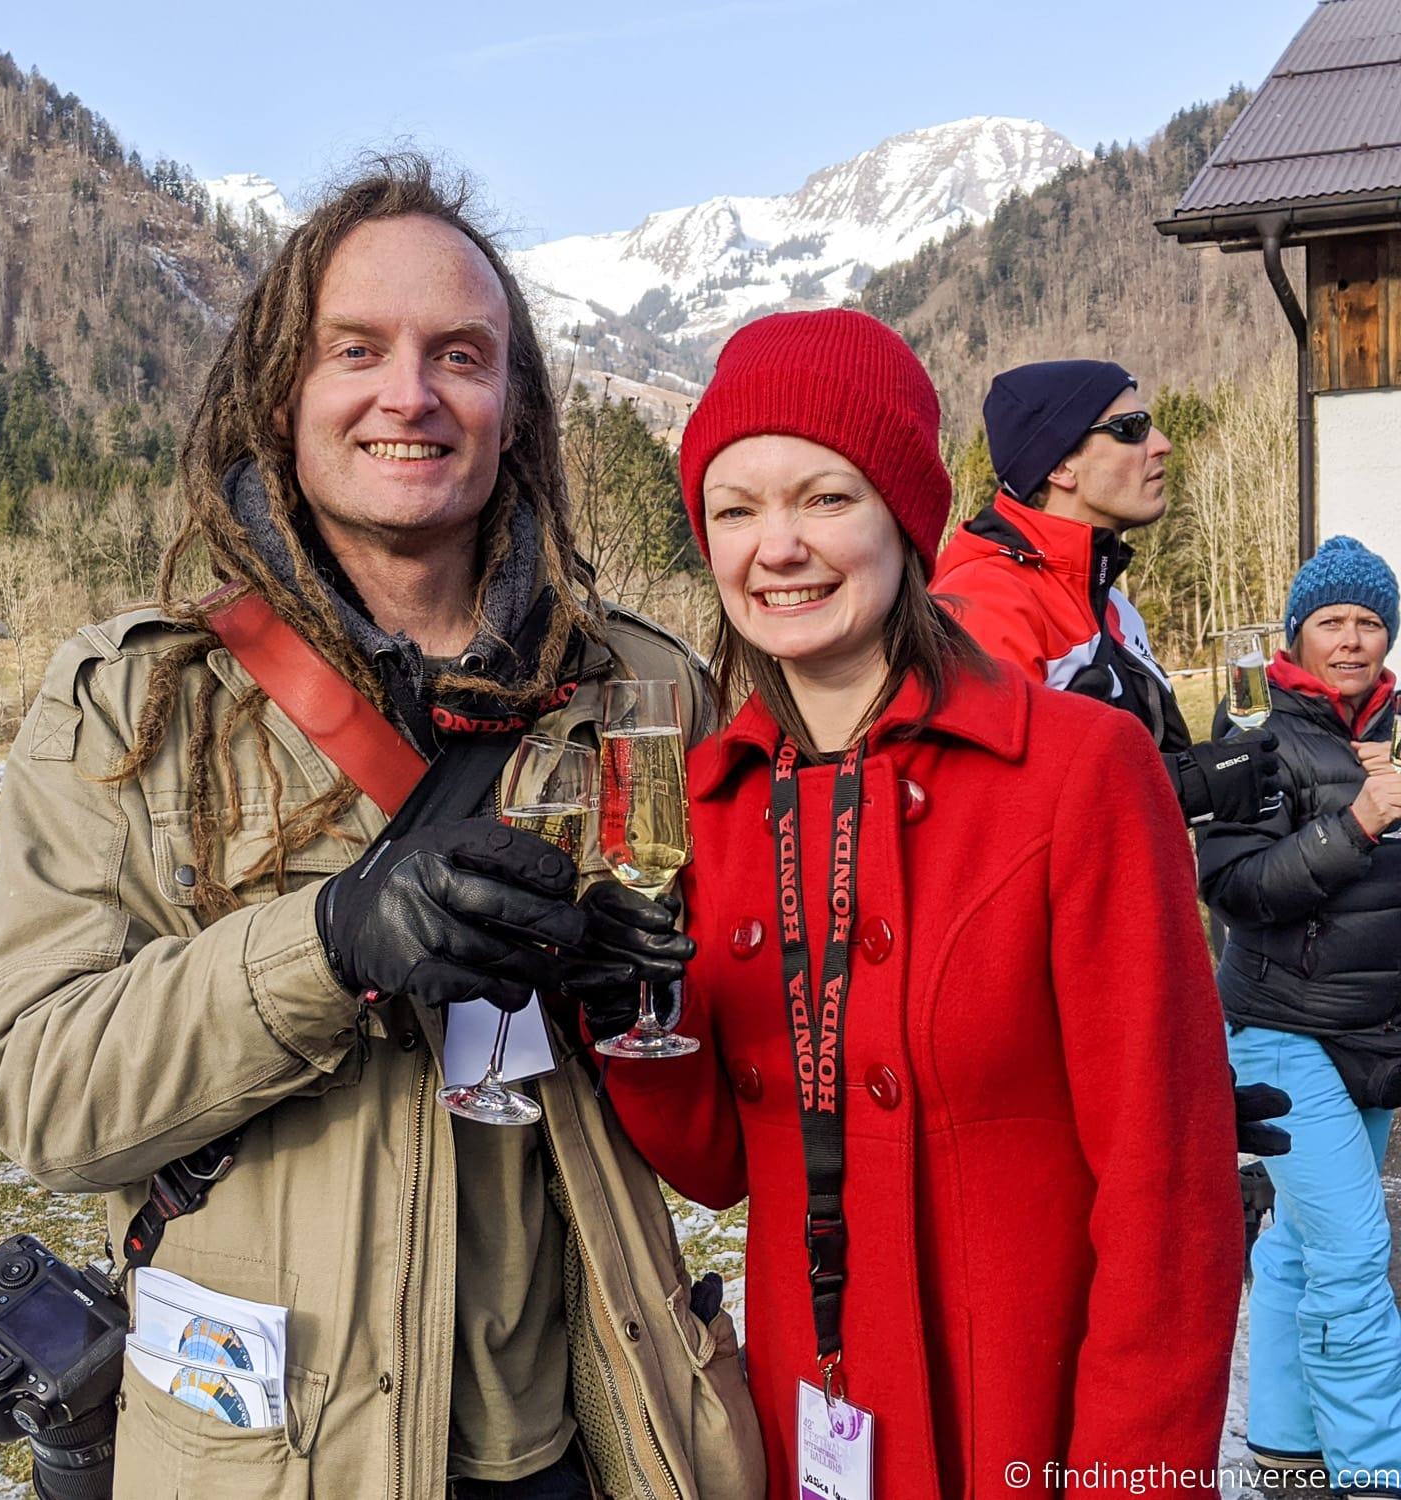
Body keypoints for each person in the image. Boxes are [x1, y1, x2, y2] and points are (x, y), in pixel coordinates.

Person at [0, 159, 763, 1500]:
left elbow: (755, 1065)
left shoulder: (644, 693)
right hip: (269, 1458)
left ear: (513, 408)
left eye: (461, 355)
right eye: (360, 350)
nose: (412, 394)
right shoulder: (135, 701)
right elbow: (40, 1100)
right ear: (285, 392)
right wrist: (328, 946)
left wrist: (651, 994)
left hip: (589, 1433)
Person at [596, 309, 1243, 1496]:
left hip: (1024, 1422)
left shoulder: (1075, 770)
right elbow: (716, 1167)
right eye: (734, 511)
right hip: (811, 1419)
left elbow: (1170, 1195)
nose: (774, 547)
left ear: (903, 516)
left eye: (823, 499)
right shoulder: (708, 801)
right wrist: (627, 1019)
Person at [932, 358, 1293, 1160]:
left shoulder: (1107, 598)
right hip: (1041, 1029)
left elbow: (1128, 777)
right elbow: (994, 824)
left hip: (1125, 983)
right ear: (1059, 464)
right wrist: (1190, 784)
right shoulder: (986, 602)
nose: (1160, 444)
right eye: (1130, 430)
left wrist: (1210, 781)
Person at [1197, 536, 1401, 1495]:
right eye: (1333, 621)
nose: (1354, 639)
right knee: (1356, 1256)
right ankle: (1375, 1474)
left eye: (1370, 621)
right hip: (1282, 1028)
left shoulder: (1399, 732)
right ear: (1297, 635)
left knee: (1296, 1246)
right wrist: (1360, 818)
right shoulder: (1251, 734)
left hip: (1378, 1037)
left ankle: (1286, 1452)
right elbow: (1235, 888)